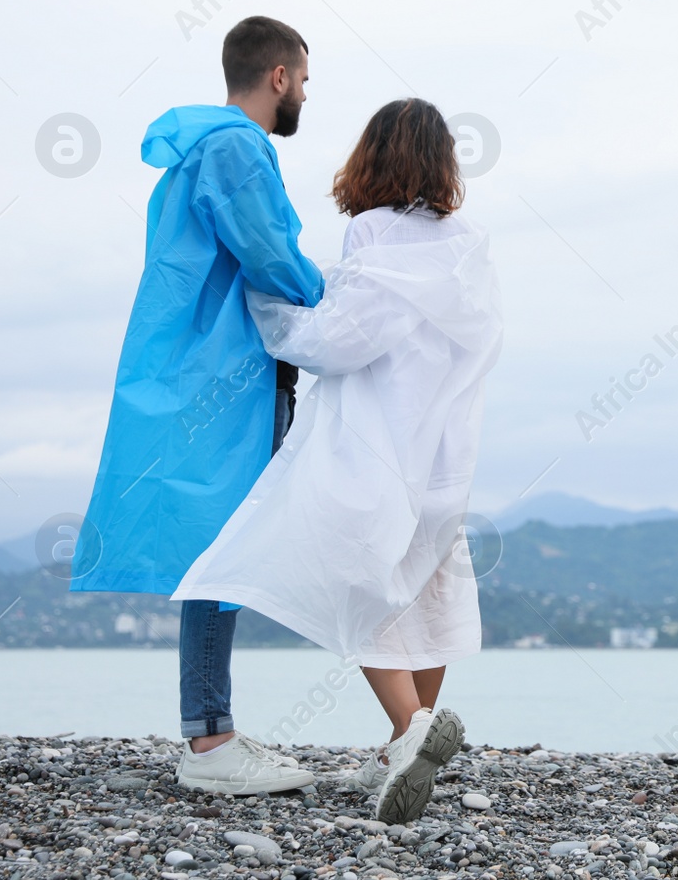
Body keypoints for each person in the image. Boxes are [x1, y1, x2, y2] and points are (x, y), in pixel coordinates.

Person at [173, 98, 503, 824]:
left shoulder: (372, 229)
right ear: (444, 160)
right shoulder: (469, 240)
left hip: (378, 451)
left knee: (366, 588)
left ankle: (413, 728)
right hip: (446, 458)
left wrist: (271, 308)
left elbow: (344, 338)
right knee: (429, 591)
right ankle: (403, 742)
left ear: (375, 154)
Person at [73, 16, 325, 795]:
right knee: (224, 550)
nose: (307, 95)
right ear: (277, 76)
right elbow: (272, 256)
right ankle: (210, 743)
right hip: (225, 377)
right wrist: (332, 294)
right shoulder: (239, 147)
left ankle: (210, 731)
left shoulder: (195, 153)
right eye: (306, 80)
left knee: (220, 549)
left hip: (200, 370)